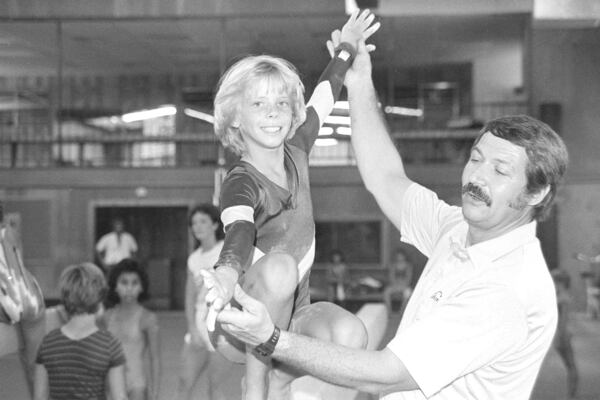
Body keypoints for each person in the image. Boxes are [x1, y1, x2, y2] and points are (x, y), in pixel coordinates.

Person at [214, 26, 570, 400]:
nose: (477, 176)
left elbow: (386, 374)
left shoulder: (506, 289)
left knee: (349, 335)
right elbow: (386, 178)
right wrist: (360, 81)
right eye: (476, 158)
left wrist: (271, 339)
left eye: (500, 170)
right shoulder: (456, 230)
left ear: (537, 191)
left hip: (375, 376)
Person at [200, 10, 380, 400]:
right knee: (280, 266)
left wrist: (347, 45)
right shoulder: (240, 181)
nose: (273, 112)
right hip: (239, 319)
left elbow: (328, 90)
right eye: (259, 104)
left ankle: (280, 380)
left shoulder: (297, 149)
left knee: (351, 334)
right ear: (234, 120)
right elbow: (240, 230)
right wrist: (228, 271)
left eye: (281, 104)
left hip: (289, 321)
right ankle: (257, 385)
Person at [33, 262, 127, 400]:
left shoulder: (48, 343)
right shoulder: (109, 344)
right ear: (100, 297)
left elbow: (39, 398)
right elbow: (119, 397)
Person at [177, 204, 225, 400]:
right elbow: (189, 297)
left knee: (215, 387)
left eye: (203, 221)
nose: (197, 226)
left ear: (215, 224)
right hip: (198, 327)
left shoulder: (227, 250)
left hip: (223, 329)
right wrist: (193, 329)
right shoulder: (193, 259)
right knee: (183, 384)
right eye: (194, 223)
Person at [0, 201, 46, 396]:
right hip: (31, 297)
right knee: (36, 363)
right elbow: (17, 264)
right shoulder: (10, 231)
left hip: (6, 299)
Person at [103, 258, 161, 400]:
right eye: (124, 282)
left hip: (137, 385)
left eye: (134, 283)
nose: (129, 288)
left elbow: (155, 358)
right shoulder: (106, 317)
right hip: (110, 384)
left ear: (142, 287)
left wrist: (154, 393)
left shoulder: (148, 318)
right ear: (115, 286)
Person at [551, 269, 578, 398]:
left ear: (560, 282)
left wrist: (559, 337)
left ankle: (571, 395)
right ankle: (570, 394)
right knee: (569, 365)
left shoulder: (563, 297)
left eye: (555, 280)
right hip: (562, 333)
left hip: (564, 334)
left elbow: (563, 320)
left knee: (570, 365)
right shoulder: (560, 295)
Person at [382, 249, 413, 315]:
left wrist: (402, 285)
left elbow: (409, 279)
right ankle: (389, 311)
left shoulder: (408, 266)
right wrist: (396, 285)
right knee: (386, 292)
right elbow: (391, 277)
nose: (400, 258)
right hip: (395, 286)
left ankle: (402, 311)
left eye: (401, 256)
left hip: (404, 286)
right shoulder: (393, 265)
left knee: (408, 293)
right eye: (398, 257)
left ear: (404, 256)